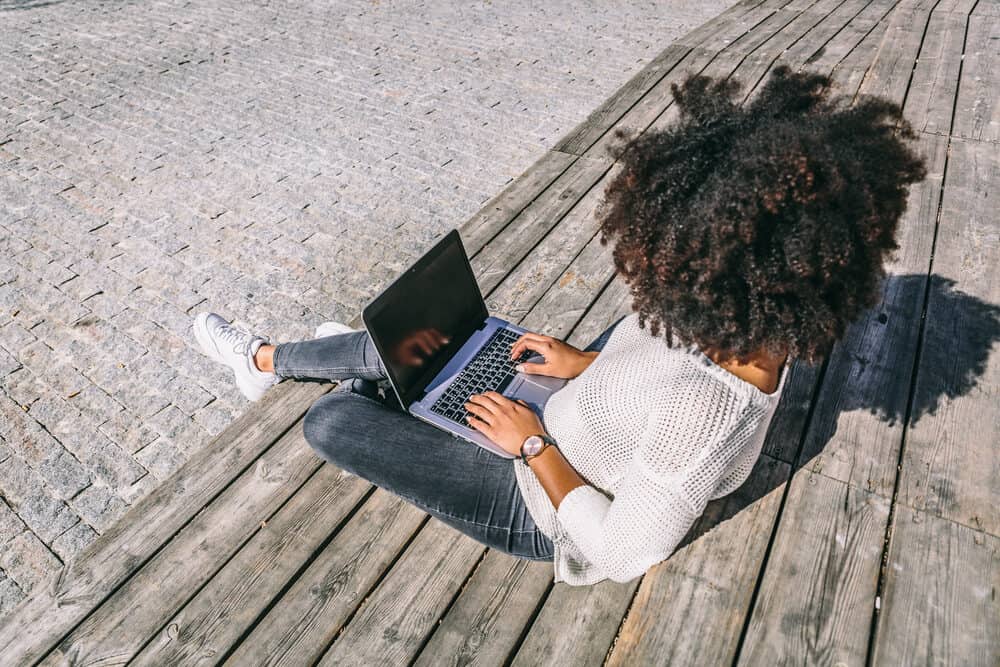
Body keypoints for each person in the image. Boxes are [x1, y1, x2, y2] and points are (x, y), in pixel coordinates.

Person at [193, 66, 926, 585]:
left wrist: (532, 444)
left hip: (540, 501)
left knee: (331, 421)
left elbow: (619, 552)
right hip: (568, 405)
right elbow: (651, 366)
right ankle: (290, 362)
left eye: (678, 272)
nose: (661, 286)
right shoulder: (751, 316)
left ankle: (298, 367)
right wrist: (578, 365)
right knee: (441, 345)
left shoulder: (708, 409)